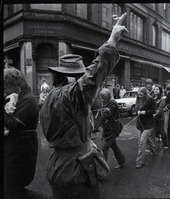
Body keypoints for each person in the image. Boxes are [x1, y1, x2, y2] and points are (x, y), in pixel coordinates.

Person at [40, 13, 128, 198]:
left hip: (58, 168)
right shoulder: (70, 94)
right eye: (80, 75)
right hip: (76, 171)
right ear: (72, 79)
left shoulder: (48, 97)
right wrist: (112, 40)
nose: (83, 78)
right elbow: (93, 75)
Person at [4, 68, 49, 199]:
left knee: (12, 189)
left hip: (22, 149)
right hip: (14, 147)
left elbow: (13, 124)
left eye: (7, 86)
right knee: (9, 188)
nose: (6, 90)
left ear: (16, 83)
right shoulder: (17, 96)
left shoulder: (29, 100)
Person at [98, 88, 125, 169]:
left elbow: (106, 114)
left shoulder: (112, 103)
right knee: (114, 146)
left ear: (108, 97)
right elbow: (102, 113)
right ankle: (121, 162)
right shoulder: (106, 103)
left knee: (104, 148)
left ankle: (103, 170)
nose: (102, 100)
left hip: (113, 129)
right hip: (108, 129)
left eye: (104, 98)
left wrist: (95, 126)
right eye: (101, 98)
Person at [135, 87, 158, 169]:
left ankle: (139, 162)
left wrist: (145, 112)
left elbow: (154, 110)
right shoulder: (138, 98)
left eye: (141, 94)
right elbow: (136, 107)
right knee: (146, 139)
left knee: (142, 142)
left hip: (149, 124)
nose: (140, 96)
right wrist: (137, 111)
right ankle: (154, 149)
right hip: (141, 123)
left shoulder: (150, 99)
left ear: (145, 94)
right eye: (139, 94)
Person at [153, 84, 168, 149]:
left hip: (160, 118)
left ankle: (165, 144)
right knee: (155, 130)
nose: (155, 91)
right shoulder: (153, 98)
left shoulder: (162, 99)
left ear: (160, 90)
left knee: (162, 131)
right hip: (154, 117)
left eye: (157, 89)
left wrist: (153, 116)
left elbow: (160, 110)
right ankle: (157, 141)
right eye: (155, 89)